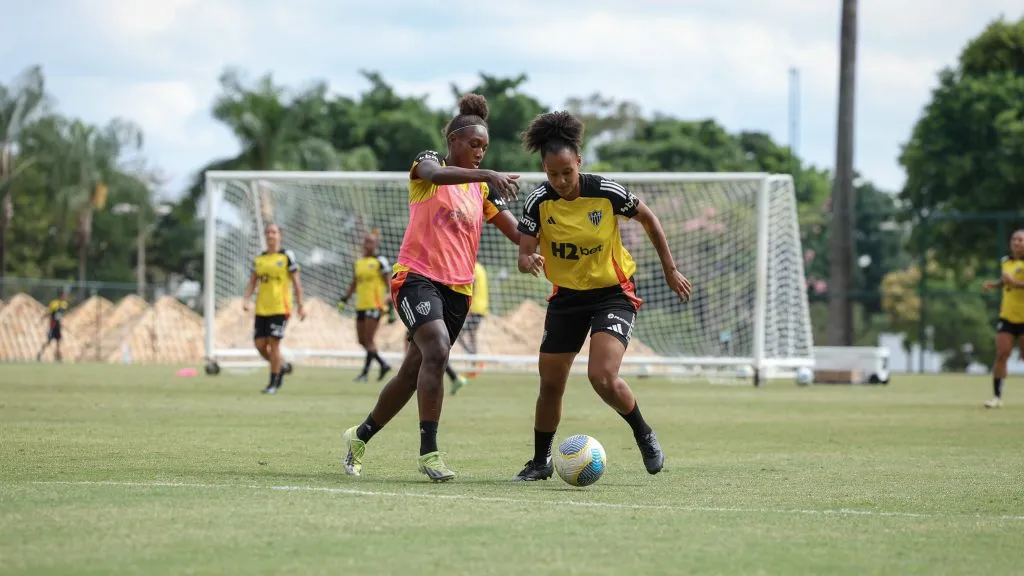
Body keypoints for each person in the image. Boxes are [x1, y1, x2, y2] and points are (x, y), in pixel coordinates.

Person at [340, 93, 521, 482]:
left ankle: (360, 435)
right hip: (416, 278)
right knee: (437, 348)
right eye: (474, 144)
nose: (480, 153)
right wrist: (487, 174)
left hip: (458, 290)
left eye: (485, 148)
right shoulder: (431, 164)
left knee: (413, 371)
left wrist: (537, 242)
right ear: (453, 141)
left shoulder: (482, 190)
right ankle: (429, 454)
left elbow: (517, 232)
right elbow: (436, 177)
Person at [512, 110, 692, 481]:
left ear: (579, 162)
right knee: (550, 383)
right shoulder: (537, 203)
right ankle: (540, 461)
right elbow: (524, 252)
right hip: (566, 299)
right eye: (552, 174)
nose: (561, 180)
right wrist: (528, 259)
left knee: (602, 376)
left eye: (567, 171)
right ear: (544, 170)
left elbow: (649, 219)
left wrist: (669, 269)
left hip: (612, 294)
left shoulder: (606, 192)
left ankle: (644, 434)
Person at [242, 223, 306, 395]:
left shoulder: (286, 256)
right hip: (262, 308)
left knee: (274, 344)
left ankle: (273, 383)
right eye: (268, 232)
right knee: (260, 345)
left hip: (280, 308)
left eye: (274, 232)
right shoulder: (259, 259)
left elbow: (296, 283)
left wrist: (301, 305)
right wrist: (246, 299)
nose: (271, 235)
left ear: (280, 235)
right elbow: (252, 282)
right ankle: (281, 366)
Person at [338, 232, 394, 382]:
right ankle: (383, 365)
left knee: (369, 340)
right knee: (361, 340)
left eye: (372, 242)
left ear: (376, 244)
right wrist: (345, 299)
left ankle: (364, 373)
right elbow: (354, 283)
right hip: (360, 306)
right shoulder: (359, 262)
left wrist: (391, 301)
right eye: (367, 241)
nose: (369, 244)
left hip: (375, 305)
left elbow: (389, 282)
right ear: (363, 244)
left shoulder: (380, 261)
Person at [982, 229, 1024, 408]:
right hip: (1007, 316)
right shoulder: (1005, 262)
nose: (1017, 242)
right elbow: (1006, 280)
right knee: (1001, 354)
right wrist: (996, 284)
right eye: (1014, 239)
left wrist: (1014, 283)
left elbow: (1014, 282)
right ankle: (997, 397)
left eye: (1021, 240)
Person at [457, 261, 489, 383]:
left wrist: (467, 306)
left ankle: (473, 358)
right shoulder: (481, 268)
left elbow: (472, 285)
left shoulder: (473, 268)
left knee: (459, 335)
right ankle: (474, 364)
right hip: (482, 308)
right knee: (472, 335)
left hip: (474, 308)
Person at [37, 288, 69, 362]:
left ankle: (58, 357)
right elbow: (49, 312)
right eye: (64, 295)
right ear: (61, 295)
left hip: (58, 324)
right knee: (49, 340)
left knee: (58, 340)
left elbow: (61, 315)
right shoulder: (54, 303)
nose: (65, 296)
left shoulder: (65, 304)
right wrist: (42, 319)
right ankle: (40, 353)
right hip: (53, 324)